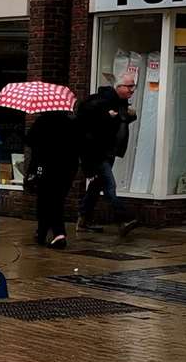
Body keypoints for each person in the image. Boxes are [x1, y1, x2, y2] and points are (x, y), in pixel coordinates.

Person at [76, 77, 139, 235]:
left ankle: (83, 221)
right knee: (109, 186)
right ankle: (123, 219)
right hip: (96, 153)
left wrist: (130, 115)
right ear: (118, 87)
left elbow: (119, 122)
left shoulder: (120, 103)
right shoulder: (100, 101)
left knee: (96, 187)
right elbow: (88, 123)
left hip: (108, 152)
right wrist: (107, 116)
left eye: (134, 86)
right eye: (129, 86)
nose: (132, 90)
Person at [25, 109, 79, 248]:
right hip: (68, 169)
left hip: (46, 167)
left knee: (45, 200)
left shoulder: (42, 121)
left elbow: (30, 141)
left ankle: (57, 234)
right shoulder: (71, 122)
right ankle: (43, 233)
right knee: (57, 200)